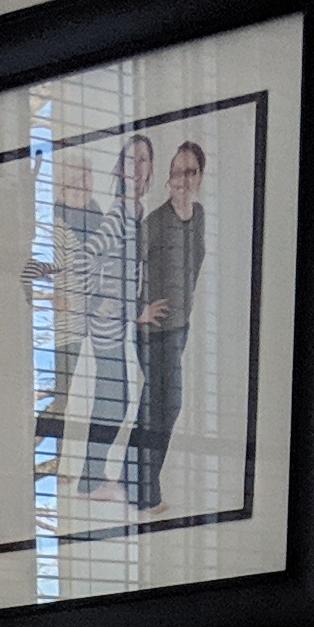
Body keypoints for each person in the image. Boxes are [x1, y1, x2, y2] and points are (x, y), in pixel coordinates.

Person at [30, 134, 155, 504]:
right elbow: (85, 260)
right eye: (130, 161)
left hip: (115, 323)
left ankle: (91, 477)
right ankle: (90, 478)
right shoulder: (117, 216)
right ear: (119, 169)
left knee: (115, 397)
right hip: (105, 325)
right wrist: (101, 300)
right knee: (113, 399)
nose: (137, 168)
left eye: (144, 160)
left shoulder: (128, 211)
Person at [131, 139, 207, 509]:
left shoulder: (199, 215)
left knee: (157, 406)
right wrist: (137, 309)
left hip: (179, 328)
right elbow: (121, 267)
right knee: (165, 406)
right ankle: (145, 491)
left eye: (190, 171)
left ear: (200, 176)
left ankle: (136, 482)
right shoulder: (155, 223)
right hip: (153, 331)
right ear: (168, 176)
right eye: (177, 172)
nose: (183, 179)